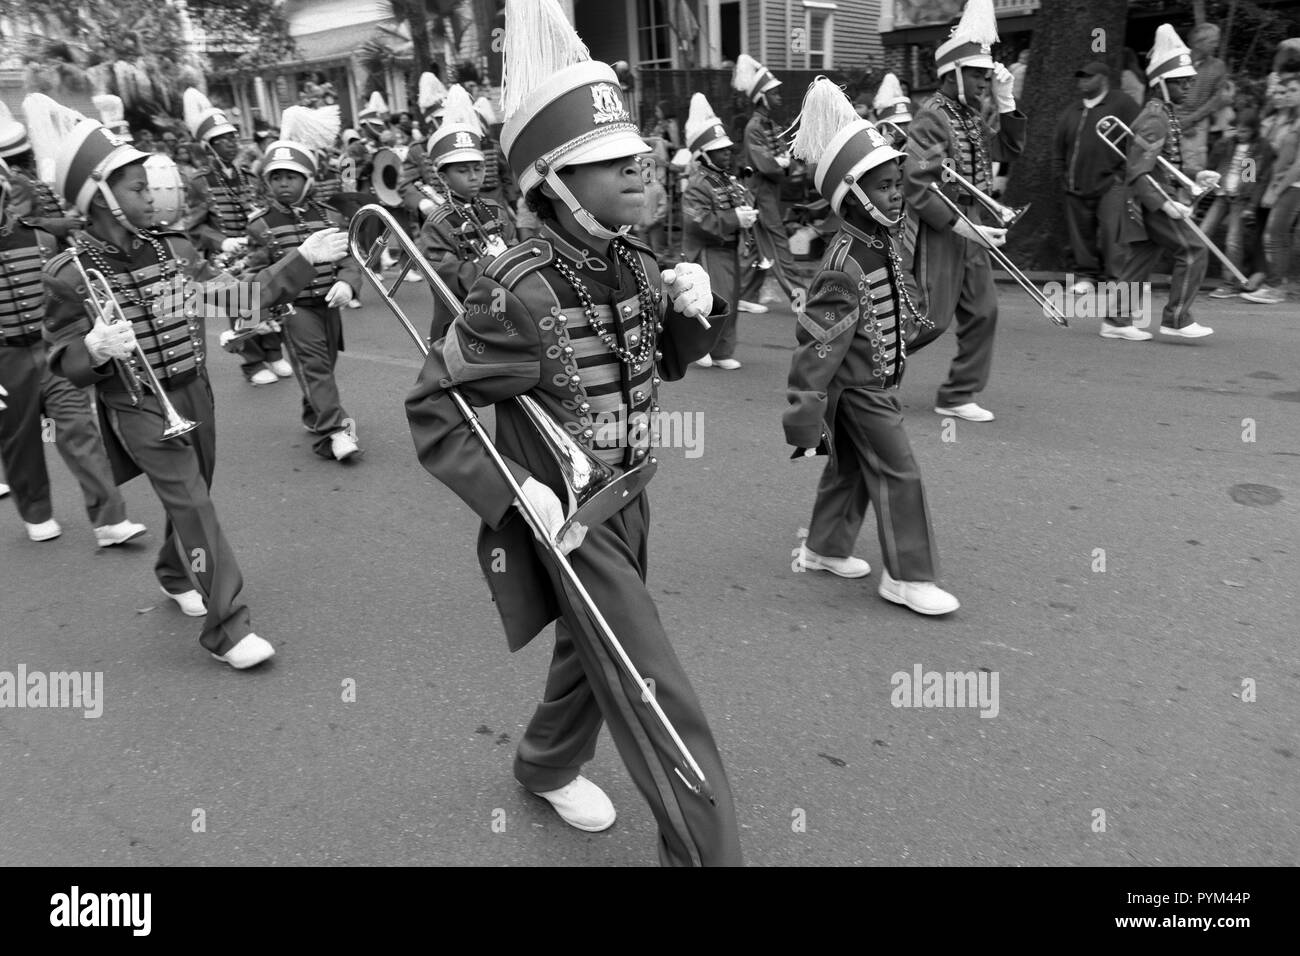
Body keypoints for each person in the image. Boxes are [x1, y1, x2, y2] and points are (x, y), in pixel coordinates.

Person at [405, 0, 742, 866]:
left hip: (633, 492)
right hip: (570, 515)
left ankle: (545, 759)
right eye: (608, 162)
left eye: (636, 155)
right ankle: (707, 851)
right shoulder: (510, 289)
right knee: (653, 684)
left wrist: (696, 314)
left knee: (591, 648)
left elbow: (656, 364)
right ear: (550, 184)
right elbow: (433, 408)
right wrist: (514, 492)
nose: (638, 170)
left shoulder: (630, 258)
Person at [28, 94, 350, 668]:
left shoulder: (171, 251)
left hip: (194, 392)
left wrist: (300, 257)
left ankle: (175, 570)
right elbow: (57, 360)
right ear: (98, 198)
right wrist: (92, 348)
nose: (151, 194)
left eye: (148, 185)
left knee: (194, 494)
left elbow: (232, 298)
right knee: (196, 506)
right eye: (135, 187)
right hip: (137, 403)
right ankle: (229, 629)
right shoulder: (71, 275)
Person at [786, 79, 959, 617]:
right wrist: (803, 413)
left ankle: (823, 547)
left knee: (853, 469)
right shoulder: (844, 261)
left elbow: (895, 312)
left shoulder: (876, 244)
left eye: (896, 182)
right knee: (899, 471)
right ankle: (908, 577)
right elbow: (817, 346)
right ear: (853, 196)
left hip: (876, 381)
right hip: (861, 391)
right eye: (884, 186)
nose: (896, 193)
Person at [0, 158, 146, 547]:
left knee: (78, 427)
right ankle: (36, 510)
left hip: (52, 347)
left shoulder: (41, 238)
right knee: (21, 438)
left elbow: (67, 290)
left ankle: (109, 518)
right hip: (4, 360)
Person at [901, 0, 1026, 422]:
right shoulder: (931, 117)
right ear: (952, 74)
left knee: (984, 311)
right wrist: (965, 227)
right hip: (942, 230)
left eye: (986, 75)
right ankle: (856, 367)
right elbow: (917, 186)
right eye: (976, 74)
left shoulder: (970, 119)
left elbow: (1009, 150)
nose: (984, 81)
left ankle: (957, 394)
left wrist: (1007, 103)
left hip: (974, 228)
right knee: (930, 320)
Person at [244, 111, 364, 461]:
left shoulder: (328, 216)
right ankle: (335, 430)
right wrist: (258, 315)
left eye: (292, 177)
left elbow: (349, 259)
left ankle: (314, 413)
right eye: (276, 177)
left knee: (324, 363)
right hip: (292, 308)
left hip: (328, 304)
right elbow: (257, 273)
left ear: (308, 179)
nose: (283, 183)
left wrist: (347, 283)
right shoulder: (261, 225)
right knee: (314, 366)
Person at [1109, 24, 1219, 339]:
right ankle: (1177, 318)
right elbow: (1138, 170)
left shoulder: (1165, 114)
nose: (1188, 88)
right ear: (1161, 84)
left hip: (1151, 199)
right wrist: (1166, 204)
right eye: (1180, 83)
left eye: (1188, 82)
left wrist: (1197, 176)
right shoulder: (1156, 118)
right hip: (1151, 201)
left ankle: (1116, 320)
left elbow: (1166, 163)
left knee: (1141, 260)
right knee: (1194, 249)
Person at [180, 87, 290, 385]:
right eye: (223, 140)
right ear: (210, 146)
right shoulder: (200, 182)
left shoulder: (250, 177)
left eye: (232, 137)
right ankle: (253, 363)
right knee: (242, 305)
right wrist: (222, 241)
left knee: (269, 299)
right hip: (228, 258)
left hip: (258, 251)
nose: (231, 143)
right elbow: (194, 227)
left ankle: (273, 352)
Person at [414, 85, 516, 342]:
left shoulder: (495, 209)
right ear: (443, 176)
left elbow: (515, 249)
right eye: (462, 171)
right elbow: (446, 277)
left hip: (502, 308)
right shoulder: (437, 223)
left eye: (478, 168)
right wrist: (490, 263)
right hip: (461, 317)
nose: (473, 176)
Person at [680, 92, 757, 370]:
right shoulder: (699, 182)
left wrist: (746, 213)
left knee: (731, 302)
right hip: (709, 251)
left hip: (728, 249)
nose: (728, 153)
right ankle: (702, 348)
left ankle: (722, 351)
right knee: (712, 303)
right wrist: (735, 218)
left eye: (727, 149)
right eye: (721, 150)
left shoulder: (725, 179)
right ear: (705, 154)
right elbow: (697, 221)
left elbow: (736, 206)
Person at [1052, 61, 1139, 298]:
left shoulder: (1122, 103)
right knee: (1080, 234)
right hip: (1075, 183)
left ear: (1103, 78)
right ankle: (1086, 276)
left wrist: (1123, 174)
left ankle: (1116, 279)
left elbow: (1138, 138)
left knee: (1113, 232)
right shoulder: (1072, 110)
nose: (1082, 80)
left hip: (1111, 182)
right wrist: (1061, 173)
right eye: (1080, 77)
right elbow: (1059, 146)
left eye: (1088, 77)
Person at [732, 53, 803, 313]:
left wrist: (785, 162)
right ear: (762, 97)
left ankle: (745, 295)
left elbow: (785, 156)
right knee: (777, 245)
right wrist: (782, 163)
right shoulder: (754, 127)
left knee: (757, 249)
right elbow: (766, 164)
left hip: (767, 192)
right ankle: (800, 300)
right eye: (774, 94)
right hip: (760, 194)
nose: (779, 98)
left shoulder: (770, 125)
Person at [1202, 110, 1273, 298]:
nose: (1240, 135)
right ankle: (1190, 272)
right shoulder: (1229, 144)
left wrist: (1251, 206)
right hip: (1222, 195)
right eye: (1237, 130)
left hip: (1240, 200)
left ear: (1254, 131)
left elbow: (1253, 180)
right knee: (1202, 232)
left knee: (1233, 241)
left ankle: (1229, 283)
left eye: (1244, 132)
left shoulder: (1258, 148)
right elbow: (1213, 163)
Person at [1242, 74, 1300, 304]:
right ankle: (1262, 278)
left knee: (1272, 233)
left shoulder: (1292, 123)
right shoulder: (1265, 120)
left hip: (1280, 185)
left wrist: (1273, 189)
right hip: (1261, 184)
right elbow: (1252, 151)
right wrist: (1248, 181)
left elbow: (1293, 163)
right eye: (1276, 91)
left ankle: (1270, 282)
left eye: (1286, 91)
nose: (1281, 95)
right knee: (1260, 231)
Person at [1176, 22, 1230, 175]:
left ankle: (1190, 198)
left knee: (1194, 168)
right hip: (1172, 117)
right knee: (1167, 162)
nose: (1216, 45)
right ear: (1198, 43)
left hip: (1198, 122)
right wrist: (1179, 119)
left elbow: (1216, 99)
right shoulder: (1179, 62)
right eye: (1212, 41)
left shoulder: (1218, 66)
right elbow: (1165, 90)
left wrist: (1191, 120)